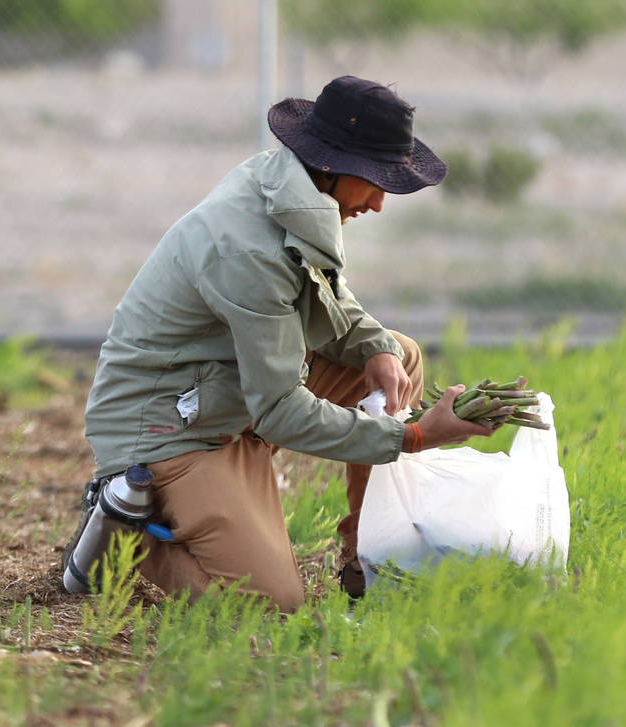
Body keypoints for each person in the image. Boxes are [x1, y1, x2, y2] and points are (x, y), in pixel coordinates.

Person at [63, 75, 498, 611]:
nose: (381, 202)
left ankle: (365, 558)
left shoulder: (291, 189)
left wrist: (377, 346)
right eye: (376, 180)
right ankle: (123, 536)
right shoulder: (247, 250)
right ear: (333, 165)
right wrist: (411, 436)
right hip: (170, 423)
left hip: (226, 386)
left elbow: (324, 298)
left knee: (396, 357)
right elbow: (277, 410)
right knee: (272, 606)